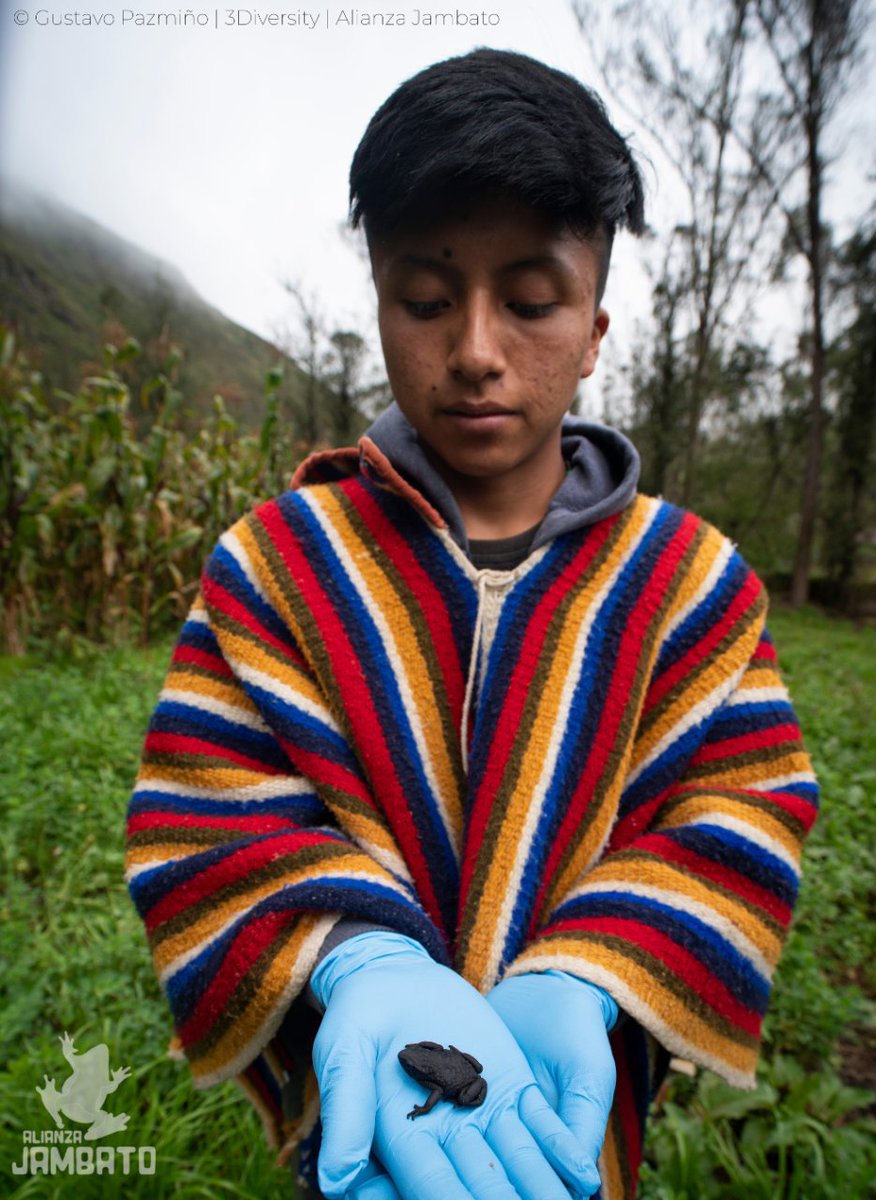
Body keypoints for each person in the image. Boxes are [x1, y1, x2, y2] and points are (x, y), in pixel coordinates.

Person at [125, 48, 819, 1200]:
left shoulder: (688, 582)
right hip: (361, 1110)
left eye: (533, 301)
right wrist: (361, 959)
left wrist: (594, 975)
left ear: (595, 328)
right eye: (428, 300)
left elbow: (745, 806)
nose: (479, 352)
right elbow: (205, 814)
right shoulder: (280, 567)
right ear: (381, 305)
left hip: (565, 1126)